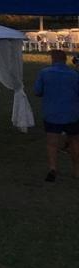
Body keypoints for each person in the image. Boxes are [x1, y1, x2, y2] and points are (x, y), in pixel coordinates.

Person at [33, 49, 79, 182]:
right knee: (74, 141)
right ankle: (76, 169)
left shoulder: (44, 73)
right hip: (72, 114)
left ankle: (53, 169)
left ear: (52, 59)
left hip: (52, 113)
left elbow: (37, 91)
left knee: (52, 143)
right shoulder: (74, 75)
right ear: (65, 59)